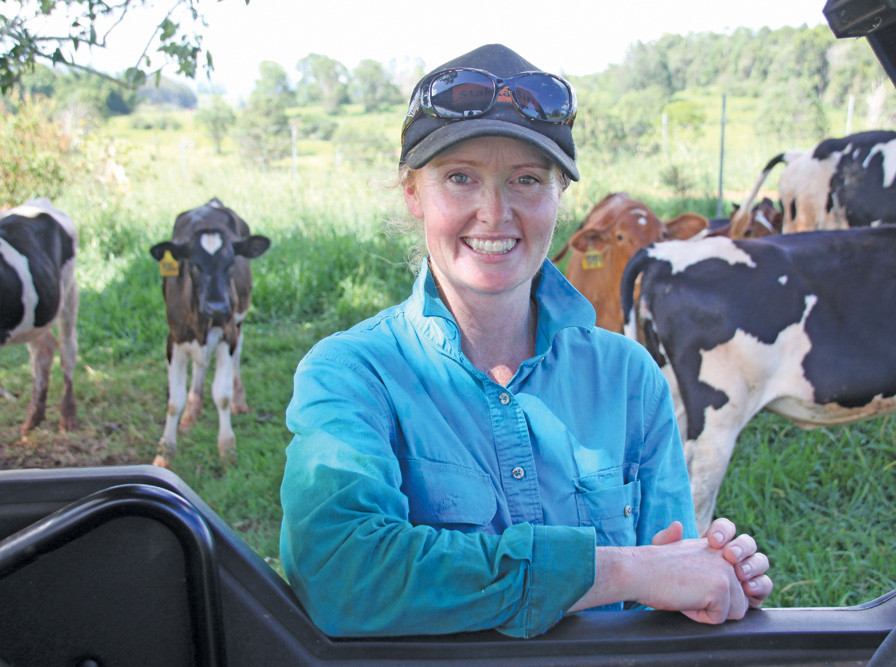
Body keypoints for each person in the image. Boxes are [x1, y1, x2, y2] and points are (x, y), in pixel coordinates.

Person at [279, 43, 773, 639]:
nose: (494, 212)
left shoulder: (628, 377)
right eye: (460, 178)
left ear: (559, 197)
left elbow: (663, 596)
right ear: (413, 193)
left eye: (527, 180)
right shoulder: (352, 374)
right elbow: (341, 574)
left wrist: (709, 583)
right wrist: (622, 570)